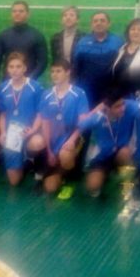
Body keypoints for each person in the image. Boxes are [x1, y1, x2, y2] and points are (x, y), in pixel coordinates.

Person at [40, 60, 89, 199]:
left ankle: (70, 181)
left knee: (65, 154)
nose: (54, 74)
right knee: (49, 188)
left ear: (68, 72)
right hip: (54, 140)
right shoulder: (46, 94)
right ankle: (57, 175)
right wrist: (49, 150)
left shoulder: (79, 93)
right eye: (52, 71)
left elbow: (83, 122)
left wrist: (72, 140)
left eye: (58, 71)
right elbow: (45, 124)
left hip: (73, 137)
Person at [78, 89, 139, 198]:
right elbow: (81, 124)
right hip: (102, 157)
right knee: (92, 186)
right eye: (117, 106)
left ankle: (127, 182)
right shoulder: (98, 117)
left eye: (123, 104)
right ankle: (107, 174)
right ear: (107, 108)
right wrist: (95, 111)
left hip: (120, 153)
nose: (122, 108)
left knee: (125, 153)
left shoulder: (129, 107)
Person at [0, 52, 45, 186]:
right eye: (11, 67)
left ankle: (37, 165)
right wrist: (3, 132)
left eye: (18, 66)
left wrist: (33, 130)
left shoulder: (35, 87)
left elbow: (41, 113)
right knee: (14, 182)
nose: (15, 70)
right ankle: (26, 163)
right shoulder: (3, 88)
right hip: (12, 134)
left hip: (30, 131)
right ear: (7, 69)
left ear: (25, 68)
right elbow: (3, 114)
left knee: (38, 143)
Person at [72, 11, 124, 107]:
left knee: (107, 114)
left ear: (109, 24)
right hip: (87, 89)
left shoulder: (118, 42)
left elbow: (122, 67)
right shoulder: (82, 42)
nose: (98, 23)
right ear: (91, 24)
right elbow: (76, 66)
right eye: (95, 21)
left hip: (109, 90)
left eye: (102, 20)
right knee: (88, 114)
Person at [0, 1, 48, 80]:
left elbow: (43, 62)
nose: (17, 13)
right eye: (14, 11)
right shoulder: (3, 35)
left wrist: (30, 79)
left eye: (21, 11)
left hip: (29, 81)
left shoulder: (37, 36)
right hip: (8, 81)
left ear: (28, 14)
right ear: (11, 14)